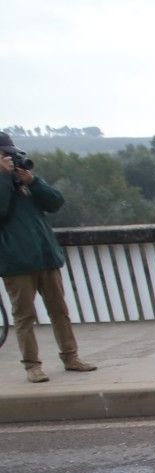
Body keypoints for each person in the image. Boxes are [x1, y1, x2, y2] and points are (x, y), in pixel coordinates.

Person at [0, 132, 95, 384]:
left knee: (59, 311)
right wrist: (2, 178)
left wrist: (33, 181)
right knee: (24, 316)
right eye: (4, 154)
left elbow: (55, 202)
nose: (10, 158)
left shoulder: (24, 183)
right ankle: (32, 365)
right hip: (17, 263)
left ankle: (71, 356)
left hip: (45, 258)